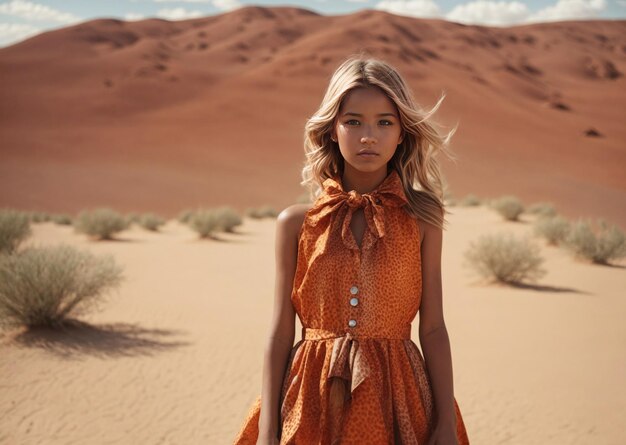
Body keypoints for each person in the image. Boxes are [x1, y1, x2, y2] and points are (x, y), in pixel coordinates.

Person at [233, 55, 470, 445]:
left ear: (402, 133)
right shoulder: (296, 223)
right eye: (353, 121)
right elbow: (279, 333)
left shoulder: (422, 220)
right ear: (331, 130)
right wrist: (267, 429)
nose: (368, 137)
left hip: (399, 397)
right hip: (309, 397)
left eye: (384, 122)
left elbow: (433, 327)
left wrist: (445, 422)